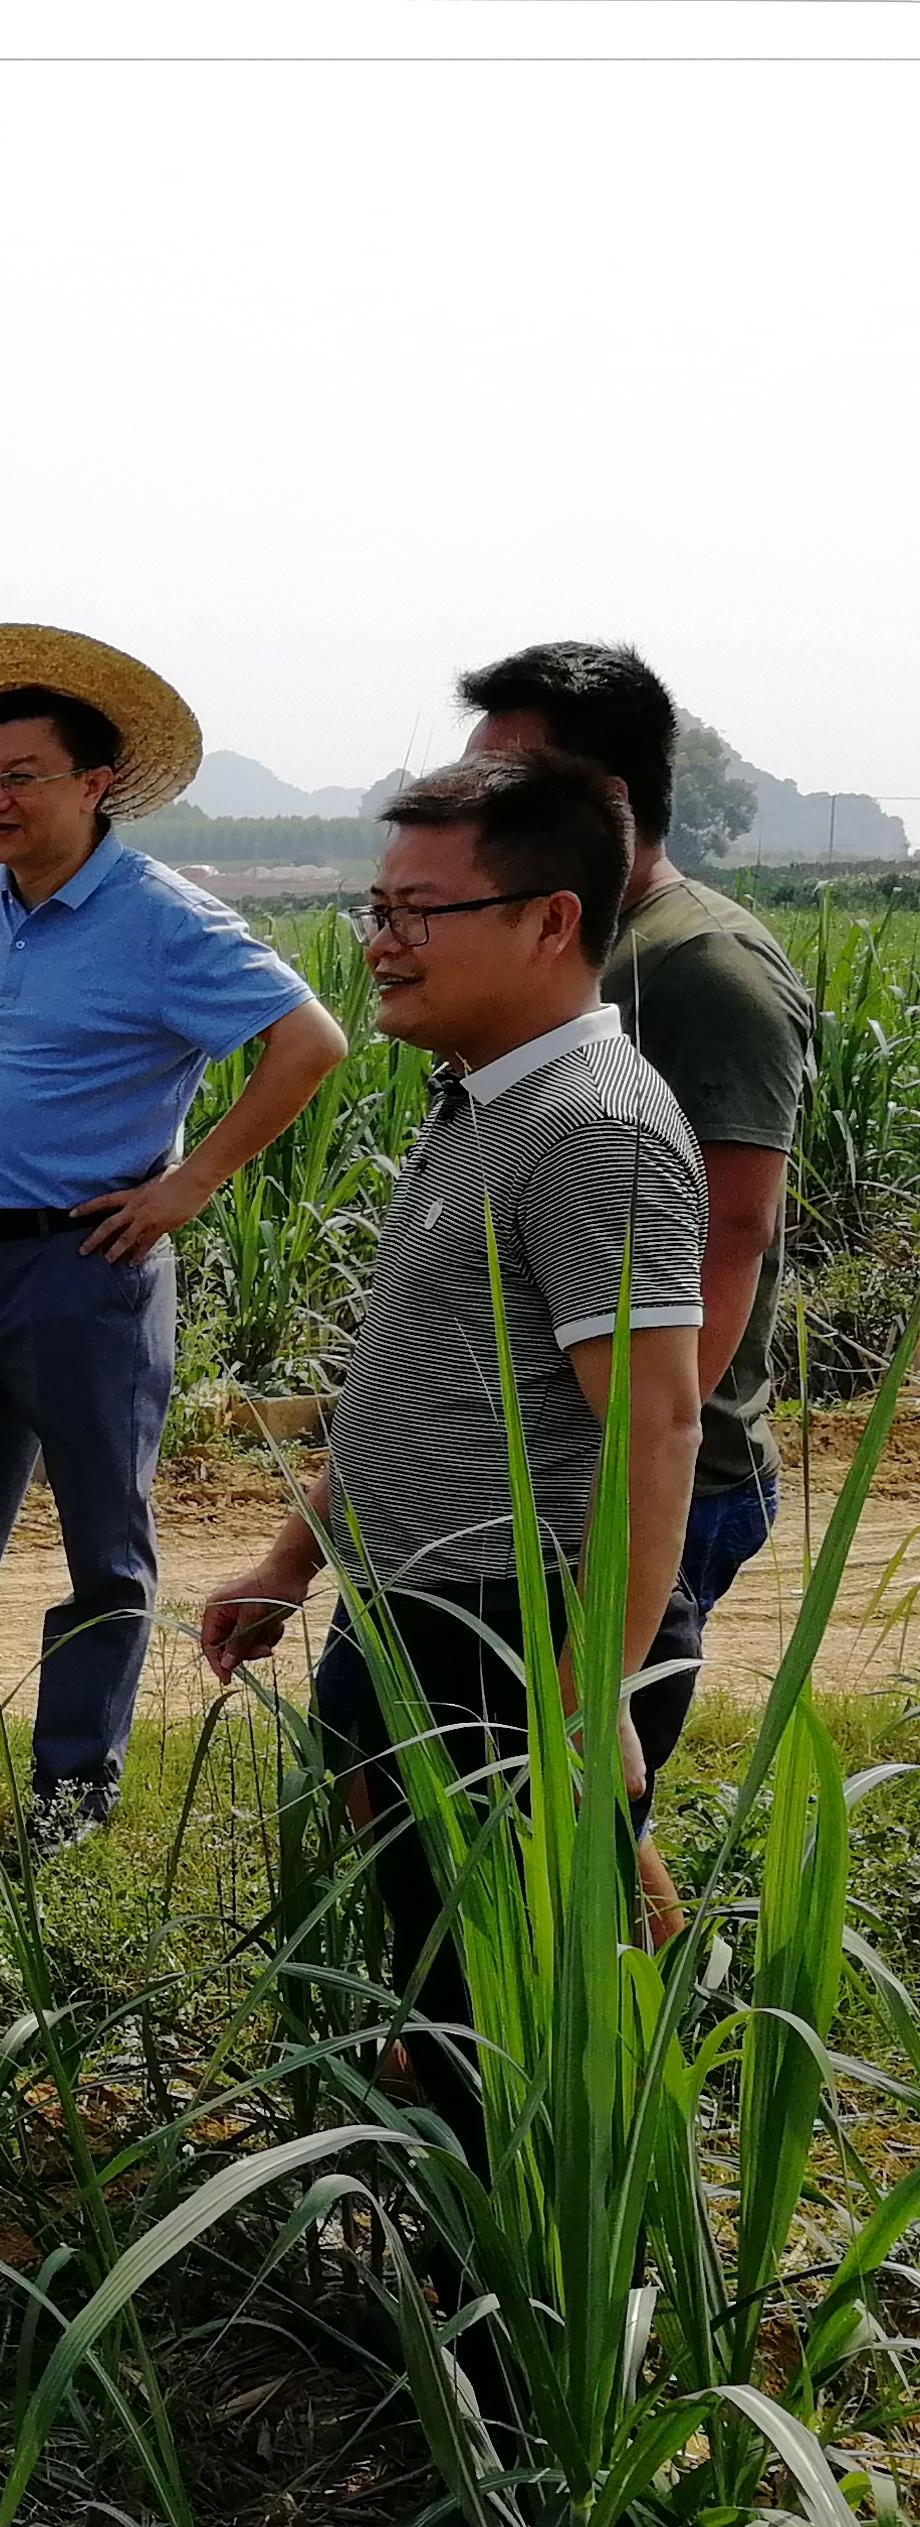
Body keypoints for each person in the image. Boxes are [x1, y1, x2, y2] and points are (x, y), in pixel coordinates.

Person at [198, 752, 706, 2163]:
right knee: (444, 1946)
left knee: (509, 1980)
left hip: (508, 1630)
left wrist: (594, 1675)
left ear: (551, 921)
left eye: (422, 911)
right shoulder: (482, 1097)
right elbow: (415, 1376)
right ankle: (478, 2208)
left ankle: (523, 2310)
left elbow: (653, 1423)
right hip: (408, 1605)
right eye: (380, 905)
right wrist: (294, 1560)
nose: (381, 941)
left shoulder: (594, 1128)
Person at [0, 627, 350, 1824]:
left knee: (101, 1534)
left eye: (20, 775)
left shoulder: (160, 918)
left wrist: (188, 1186)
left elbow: (310, 1043)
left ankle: (71, 1782)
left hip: (87, 1266)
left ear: (93, 785)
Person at [459, 641, 814, 1730]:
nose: (475, 812)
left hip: (637, 1475)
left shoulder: (700, 967)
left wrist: (638, 1476)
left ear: (606, 803)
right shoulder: (567, 946)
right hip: (542, 1454)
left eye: (502, 786)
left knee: (572, 1807)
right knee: (495, 1790)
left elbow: (731, 1233)